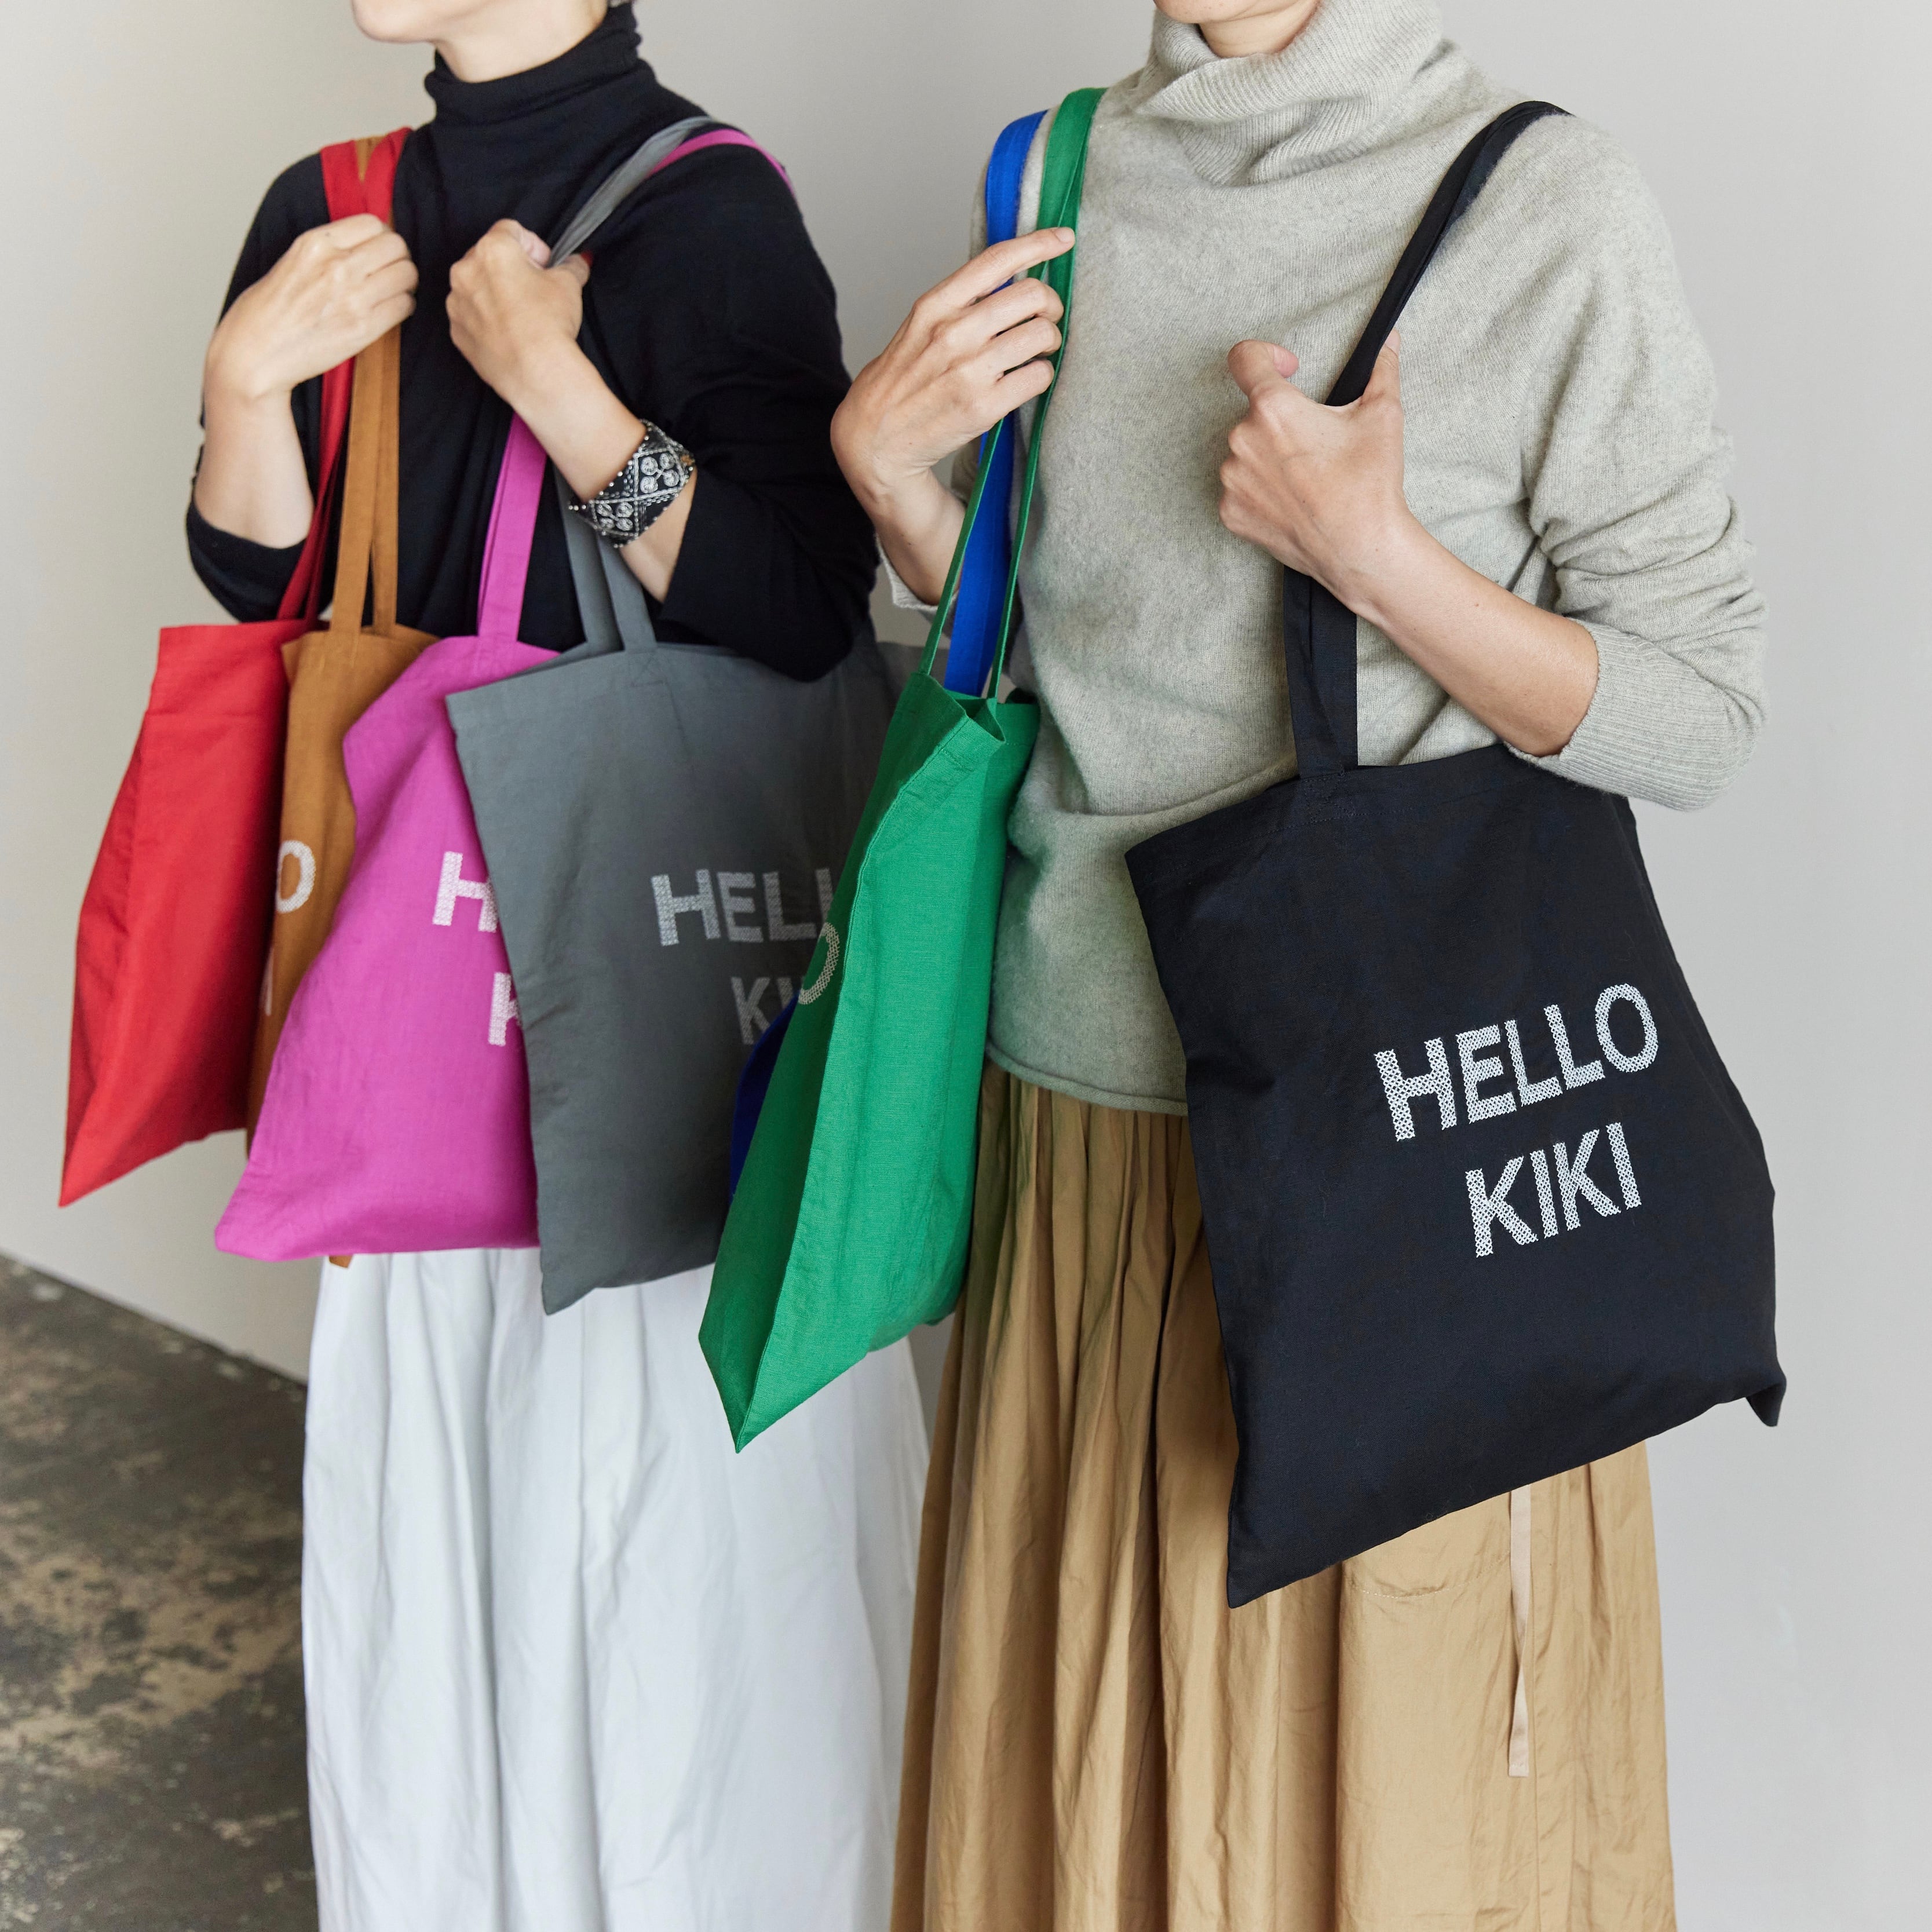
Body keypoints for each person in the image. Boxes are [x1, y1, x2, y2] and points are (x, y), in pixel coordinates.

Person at [835, 1, 1765, 1926]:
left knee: (1385, 1837)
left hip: (1395, 1185)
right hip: (1083, 1161)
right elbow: (1056, 664)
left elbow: (1701, 715)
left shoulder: (1544, 199)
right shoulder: (1060, 176)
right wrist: (904, 501)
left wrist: (1382, 564)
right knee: (1075, 1829)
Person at [191, 4, 926, 1927]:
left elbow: (801, 613)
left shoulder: (711, 212)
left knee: (673, 1608)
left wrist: (558, 392)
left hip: (635, 1029)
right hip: (417, 1003)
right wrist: (243, 394)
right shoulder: (335, 202)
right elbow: (276, 595)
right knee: (438, 1588)